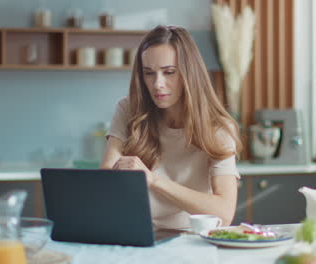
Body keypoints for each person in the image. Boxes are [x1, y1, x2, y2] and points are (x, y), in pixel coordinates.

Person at [100, 25, 243, 230]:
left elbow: (224, 213)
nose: (157, 84)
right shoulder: (129, 109)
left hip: (190, 238)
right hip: (134, 232)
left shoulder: (218, 127)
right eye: (149, 73)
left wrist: (153, 181)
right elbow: (105, 177)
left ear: (189, 73)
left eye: (169, 72)